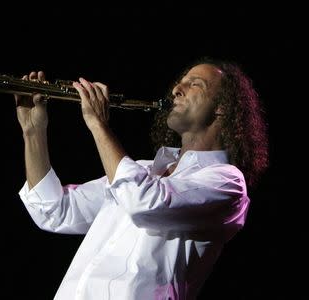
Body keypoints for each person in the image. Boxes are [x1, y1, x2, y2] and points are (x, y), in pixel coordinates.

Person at [15, 58, 268, 300]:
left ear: (222, 107)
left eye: (194, 83)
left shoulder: (227, 183)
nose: (176, 90)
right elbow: (55, 210)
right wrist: (33, 131)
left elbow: (144, 201)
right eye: (179, 82)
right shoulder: (142, 170)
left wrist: (98, 124)